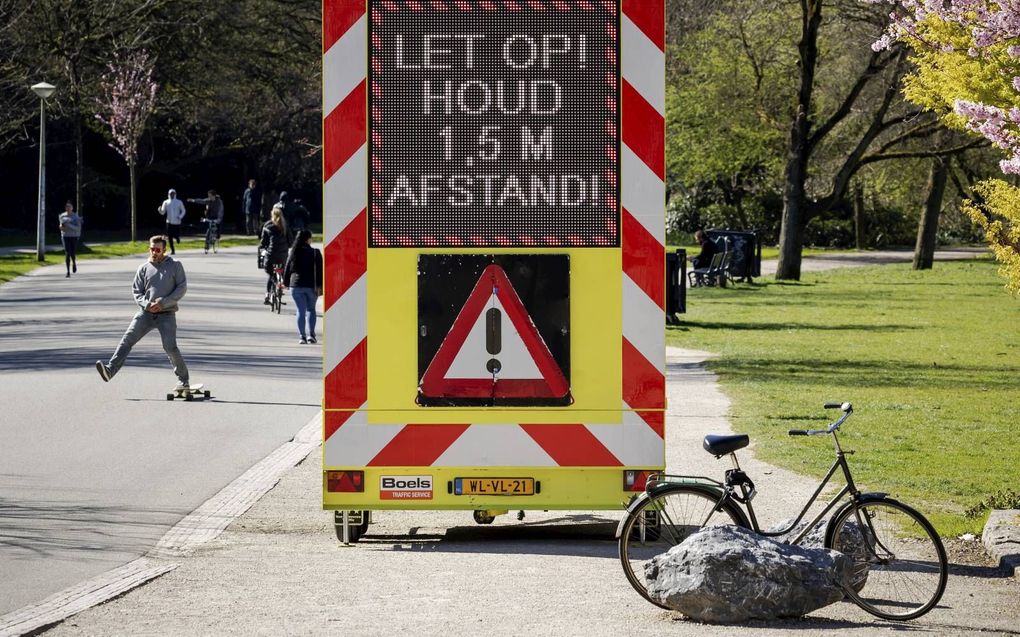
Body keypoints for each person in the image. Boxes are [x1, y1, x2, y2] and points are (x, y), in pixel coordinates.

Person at [95, 235, 190, 388]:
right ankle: (109, 370)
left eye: (158, 249)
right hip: (145, 313)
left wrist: (163, 303)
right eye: (152, 249)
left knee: (170, 347)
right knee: (127, 340)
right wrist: (147, 305)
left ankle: (183, 380)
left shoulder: (175, 265)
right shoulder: (144, 268)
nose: (154, 252)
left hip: (166, 314)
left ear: (164, 249)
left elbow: (181, 288)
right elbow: (136, 291)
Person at [283, 229, 323, 344]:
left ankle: (302, 337)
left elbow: (287, 269)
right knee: (311, 310)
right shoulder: (315, 253)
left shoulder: (294, 252)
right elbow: (320, 271)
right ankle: (312, 335)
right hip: (311, 286)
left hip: (296, 285)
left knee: (300, 310)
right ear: (307, 239)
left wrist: (285, 283)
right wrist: (320, 286)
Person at [259, 204, 291, 304]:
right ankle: (280, 286)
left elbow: (263, 243)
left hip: (271, 256)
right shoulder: (286, 226)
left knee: (271, 275)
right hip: (282, 256)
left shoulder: (267, 225)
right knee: (280, 270)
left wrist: (264, 247)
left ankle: (267, 296)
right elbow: (290, 241)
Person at [157, 189, 187, 255]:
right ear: (168, 194)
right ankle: (172, 250)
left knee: (176, 234)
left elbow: (183, 210)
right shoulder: (166, 202)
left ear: (175, 194)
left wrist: (180, 216)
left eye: (173, 193)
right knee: (170, 236)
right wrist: (159, 210)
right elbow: (163, 212)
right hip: (169, 221)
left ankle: (177, 238)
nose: (172, 195)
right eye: (170, 194)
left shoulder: (179, 202)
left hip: (177, 222)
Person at [57, 201, 82, 278]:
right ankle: (68, 272)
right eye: (67, 207)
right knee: (67, 253)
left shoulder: (76, 217)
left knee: (72, 252)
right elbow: (61, 226)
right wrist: (61, 227)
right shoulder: (62, 216)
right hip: (65, 236)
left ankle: (74, 263)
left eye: (69, 206)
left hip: (74, 236)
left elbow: (78, 228)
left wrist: (69, 224)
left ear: (72, 208)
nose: (68, 208)